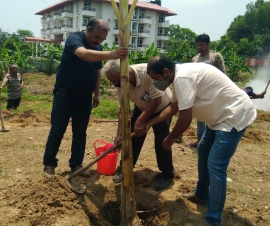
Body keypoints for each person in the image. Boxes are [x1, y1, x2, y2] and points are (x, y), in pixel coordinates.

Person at [146, 56, 256, 226]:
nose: (155, 83)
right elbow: (173, 108)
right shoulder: (177, 77)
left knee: (216, 165)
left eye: (156, 78)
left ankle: (213, 220)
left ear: (166, 72)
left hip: (233, 117)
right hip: (218, 119)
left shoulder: (183, 78)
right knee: (203, 150)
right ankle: (202, 195)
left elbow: (185, 119)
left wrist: (171, 137)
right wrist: (149, 124)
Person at [43, 19, 129, 177]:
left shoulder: (98, 47)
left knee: (80, 132)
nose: (99, 41)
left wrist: (97, 93)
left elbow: (96, 72)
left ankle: (76, 165)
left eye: (102, 39)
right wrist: (113, 54)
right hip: (65, 94)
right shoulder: (74, 39)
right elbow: (83, 54)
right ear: (88, 29)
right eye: (97, 37)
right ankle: (49, 164)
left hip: (84, 97)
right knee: (57, 130)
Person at [102, 59, 174, 191]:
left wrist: (141, 121)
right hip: (141, 107)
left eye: (115, 81)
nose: (113, 85)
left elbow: (156, 99)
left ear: (124, 75)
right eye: (111, 81)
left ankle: (166, 174)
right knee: (132, 138)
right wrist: (119, 134)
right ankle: (125, 169)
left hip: (162, 107)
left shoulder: (148, 73)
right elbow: (123, 109)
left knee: (162, 140)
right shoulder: (120, 84)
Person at [187, 34, 226, 148]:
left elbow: (222, 73)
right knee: (200, 116)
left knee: (213, 116)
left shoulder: (215, 57)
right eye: (198, 45)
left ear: (208, 44)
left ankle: (212, 140)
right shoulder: (195, 59)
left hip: (213, 91)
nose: (199, 47)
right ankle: (200, 139)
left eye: (202, 45)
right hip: (200, 91)